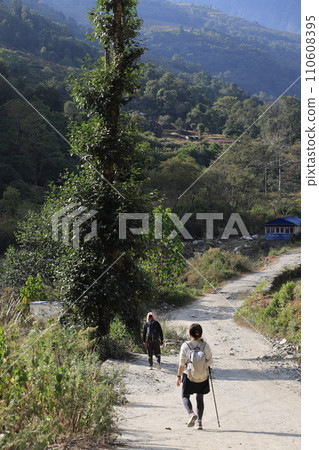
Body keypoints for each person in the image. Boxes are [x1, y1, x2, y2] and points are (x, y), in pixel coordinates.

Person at [176, 323, 213, 430]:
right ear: (200, 333)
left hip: (189, 376)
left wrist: (178, 376)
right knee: (200, 398)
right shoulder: (205, 345)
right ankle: (199, 422)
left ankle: (191, 414)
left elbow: (181, 363)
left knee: (185, 396)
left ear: (190, 333)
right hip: (203, 376)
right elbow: (210, 362)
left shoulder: (185, 346)